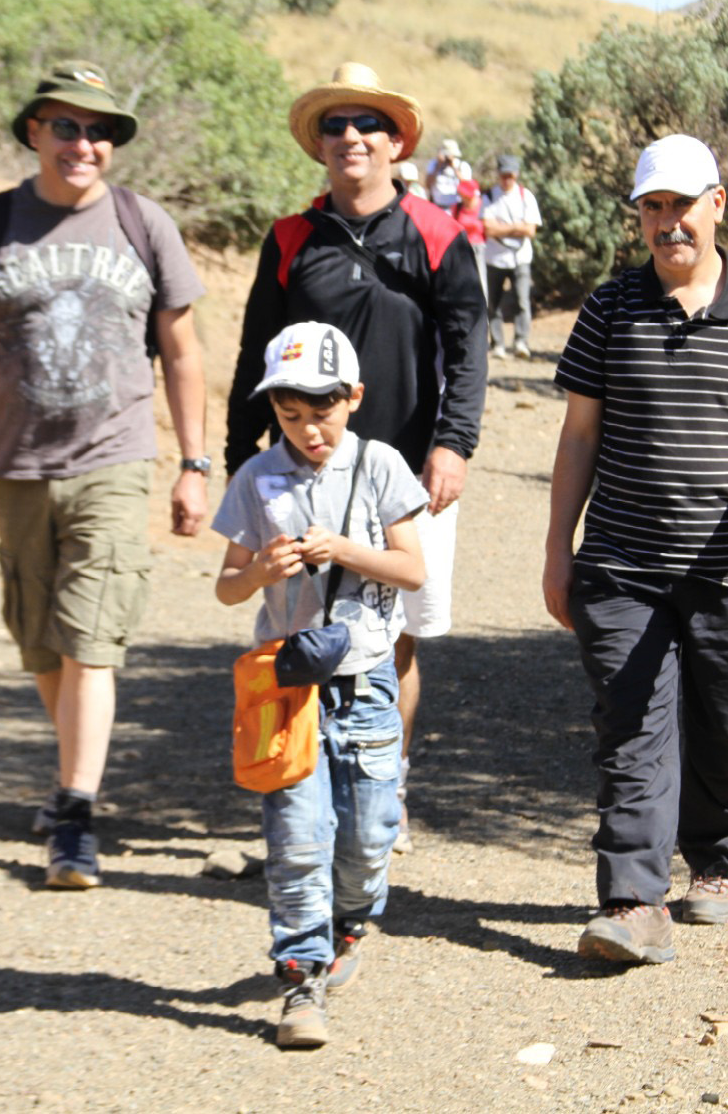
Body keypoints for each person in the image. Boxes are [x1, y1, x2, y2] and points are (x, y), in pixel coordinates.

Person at [0, 62, 209, 890]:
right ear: (33, 132)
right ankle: (71, 777)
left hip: (114, 459)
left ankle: (75, 813)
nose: (83, 144)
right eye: (66, 126)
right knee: (41, 642)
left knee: (90, 641)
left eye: (99, 131)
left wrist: (195, 464)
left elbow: (182, 350)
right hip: (16, 464)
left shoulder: (142, 223)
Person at [542, 134, 728, 964]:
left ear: (717, 204)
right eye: (652, 208)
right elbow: (578, 436)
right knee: (631, 728)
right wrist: (559, 549)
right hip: (622, 564)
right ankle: (632, 899)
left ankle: (719, 859)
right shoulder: (608, 308)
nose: (668, 224)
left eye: (682, 206)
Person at [225, 62, 488, 856]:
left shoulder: (439, 235)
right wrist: (240, 456)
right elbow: (252, 355)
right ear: (319, 143)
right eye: (335, 125)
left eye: (367, 124)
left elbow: (466, 346)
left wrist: (454, 443)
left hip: (405, 474)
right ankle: (303, 780)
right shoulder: (290, 238)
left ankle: (385, 784)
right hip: (304, 472)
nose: (351, 137)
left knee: (396, 634)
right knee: (300, 625)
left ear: (396, 141)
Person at [213, 321, 429, 1049]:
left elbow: (412, 570)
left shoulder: (380, 466)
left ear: (354, 397)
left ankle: (350, 922)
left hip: (365, 681)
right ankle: (301, 973)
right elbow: (225, 588)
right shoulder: (256, 478)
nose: (308, 428)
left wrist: (342, 549)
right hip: (286, 688)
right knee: (297, 837)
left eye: (322, 411)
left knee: (367, 836)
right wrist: (259, 573)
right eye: (289, 414)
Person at [483, 153, 543, 361]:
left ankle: (521, 341)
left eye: (510, 175)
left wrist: (504, 228)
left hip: (520, 259)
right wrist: (516, 226)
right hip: (494, 259)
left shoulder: (526, 197)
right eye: (503, 175)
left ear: (516, 174)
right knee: (494, 303)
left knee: (522, 301)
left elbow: (530, 230)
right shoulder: (489, 197)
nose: (507, 179)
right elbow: (488, 229)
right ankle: (498, 343)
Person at [450, 178, 487, 300]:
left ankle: (483, 312)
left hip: (480, 248)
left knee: (481, 281)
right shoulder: (457, 208)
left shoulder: (482, 206)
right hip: (462, 248)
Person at [424, 138, 473, 209]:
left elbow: (467, 187)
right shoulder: (434, 164)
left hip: (456, 207)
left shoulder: (462, 165)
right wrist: (438, 167)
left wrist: (454, 167)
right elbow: (427, 184)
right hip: (437, 205)